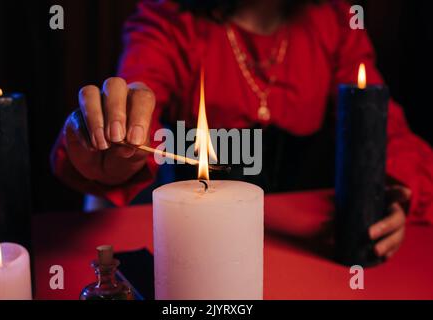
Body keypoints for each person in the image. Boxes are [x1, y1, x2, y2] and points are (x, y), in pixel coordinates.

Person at [51, 0, 433, 260]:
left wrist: (394, 193)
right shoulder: (170, 19)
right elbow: (138, 94)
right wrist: (114, 148)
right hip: (195, 253)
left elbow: (385, 133)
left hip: (299, 250)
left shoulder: (334, 20)